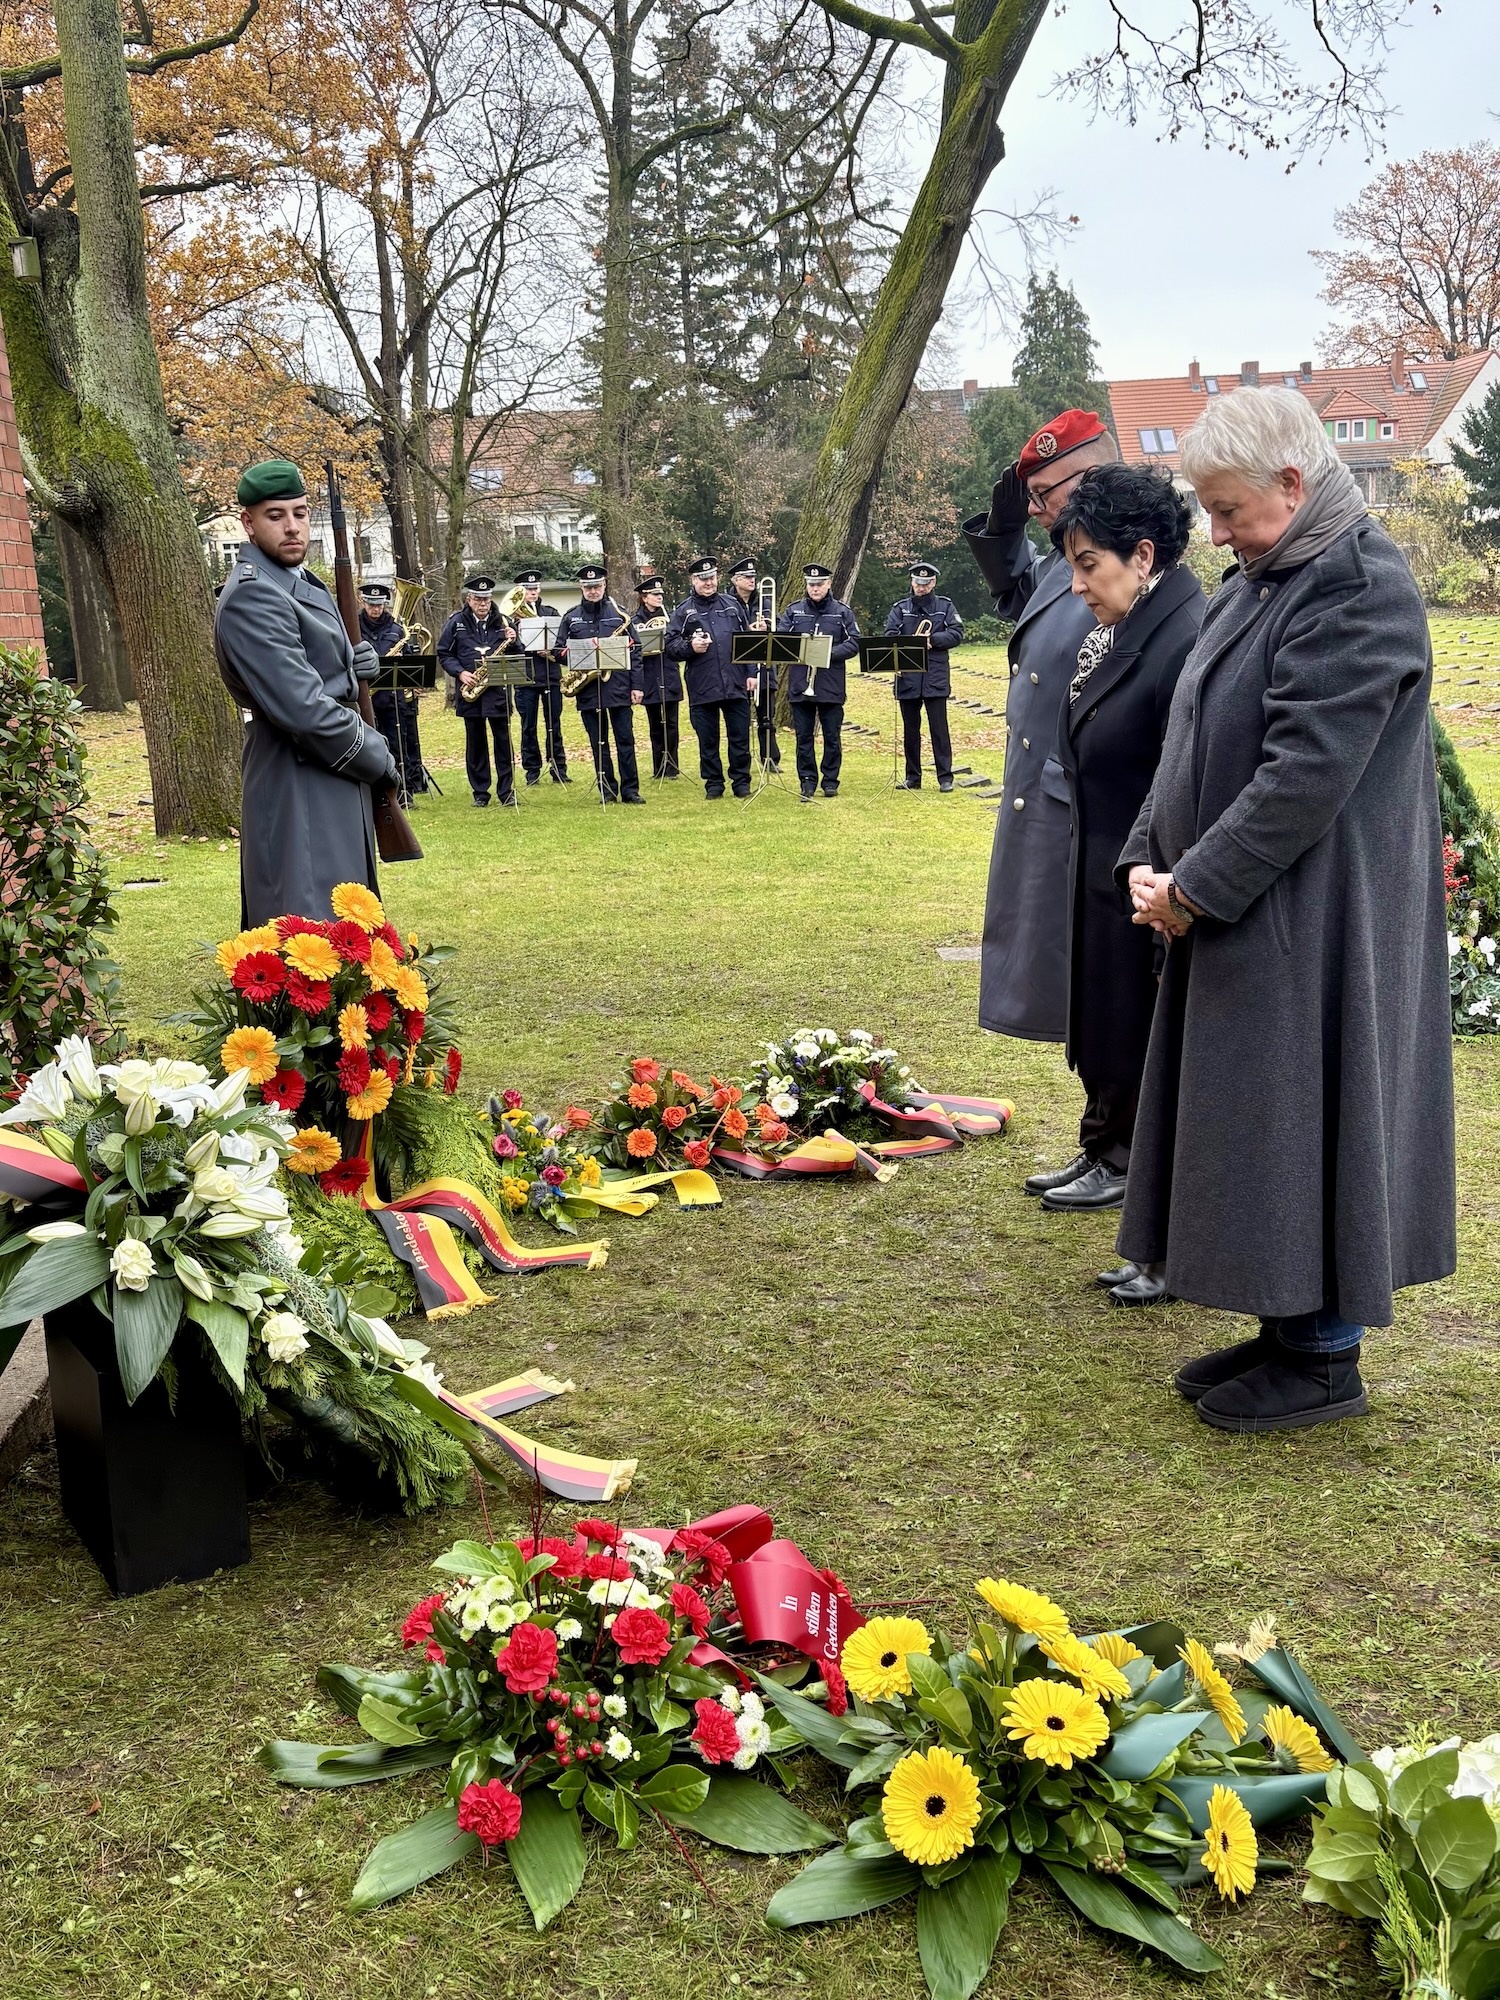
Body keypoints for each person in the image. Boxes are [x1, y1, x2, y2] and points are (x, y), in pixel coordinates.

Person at [1117, 385, 1455, 1431]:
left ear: (1295, 484)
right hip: (1260, 904)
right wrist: (1148, 856)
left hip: (1320, 921)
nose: (1213, 532)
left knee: (1305, 1112)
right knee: (1267, 1122)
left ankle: (1321, 1360)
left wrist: (1197, 887)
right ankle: (1283, 1327)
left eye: (1226, 509)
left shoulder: (1357, 586)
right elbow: (1194, 732)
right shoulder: (1270, 575)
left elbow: (1302, 774)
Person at [1034, 466, 1204, 1268]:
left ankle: (1133, 1172)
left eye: (1088, 566)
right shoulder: (1126, 626)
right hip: (1105, 859)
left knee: (1143, 1030)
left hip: (1153, 873)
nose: (1076, 587)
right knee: (1103, 1016)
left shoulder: (1184, 632)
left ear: (1143, 556)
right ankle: (1104, 1147)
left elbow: (1188, 771)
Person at [962, 409, 1118, 1068]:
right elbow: (1023, 593)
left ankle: (1118, 1151)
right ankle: (1103, 1142)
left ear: (1089, 477)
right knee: (1068, 978)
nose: (1036, 510)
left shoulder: (1127, 557)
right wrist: (999, 529)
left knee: (1104, 978)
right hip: (1048, 794)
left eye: (1044, 494)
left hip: (1087, 798)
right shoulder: (1069, 556)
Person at [214, 458, 397, 925]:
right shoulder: (255, 595)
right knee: (309, 922)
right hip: (298, 770)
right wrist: (375, 754)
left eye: (299, 513)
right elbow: (302, 710)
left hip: (328, 765)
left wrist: (354, 664)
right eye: (275, 516)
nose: (292, 527)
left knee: (348, 919)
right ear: (248, 523)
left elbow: (316, 661)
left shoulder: (298, 580)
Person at [554, 562, 645, 803]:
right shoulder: (571, 617)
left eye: (596, 586)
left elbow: (635, 651)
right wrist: (574, 655)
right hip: (588, 689)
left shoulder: (620, 614)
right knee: (598, 742)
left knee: (625, 740)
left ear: (604, 586)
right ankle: (606, 790)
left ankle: (630, 791)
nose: (593, 591)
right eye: (588, 587)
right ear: (581, 588)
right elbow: (557, 650)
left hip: (619, 687)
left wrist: (637, 686)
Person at [665, 557, 754, 799]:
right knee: (708, 739)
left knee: (739, 736)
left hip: (735, 682)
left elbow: (748, 642)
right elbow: (670, 647)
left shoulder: (733, 605)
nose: (709, 583)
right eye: (703, 579)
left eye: (712, 578)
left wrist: (752, 673)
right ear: (693, 580)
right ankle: (714, 783)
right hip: (702, 684)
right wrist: (690, 646)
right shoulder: (682, 611)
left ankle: (741, 782)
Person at [778, 563, 860, 802]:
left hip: (830, 683)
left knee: (832, 736)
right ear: (806, 585)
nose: (815, 588)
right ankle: (807, 781)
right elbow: (783, 641)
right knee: (803, 737)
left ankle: (830, 780)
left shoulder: (842, 612)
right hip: (801, 683)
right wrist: (803, 649)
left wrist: (827, 653)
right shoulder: (794, 611)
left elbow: (854, 642)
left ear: (829, 584)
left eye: (820, 584)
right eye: (811, 584)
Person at [437, 574, 516, 808]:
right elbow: (444, 653)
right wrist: (460, 673)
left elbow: (516, 655)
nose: (483, 604)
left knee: (503, 742)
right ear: (469, 599)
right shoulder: (456, 622)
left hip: (498, 692)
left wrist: (514, 640)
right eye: (478, 599)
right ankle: (480, 793)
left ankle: (506, 791)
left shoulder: (503, 622)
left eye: (487, 599)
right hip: (471, 691)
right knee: (476, 744)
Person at [885, 561, 963, 791]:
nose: (921, 587)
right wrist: (911, 642)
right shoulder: (900, 608)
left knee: (939, 729)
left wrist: (933, 640)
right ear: (912, 582)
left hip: (935, 674)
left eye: (926, 583)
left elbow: (957, 633)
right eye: (918, 583)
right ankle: (912, 777)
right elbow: (890, 634)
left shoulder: (945, 606)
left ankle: (945, 777)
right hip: (908, 676)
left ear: (933, 583)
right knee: (910, 730)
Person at [359, 582, 422, 807]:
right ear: (363, 602)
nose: (375, 609)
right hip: (364, 698)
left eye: (379, 605)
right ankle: (371, 794)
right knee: (366, 746)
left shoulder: (397, 629)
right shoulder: (352, 626)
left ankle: (403, 794)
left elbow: (407, 662)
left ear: (385, 604)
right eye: (370, 604)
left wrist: (413, 681)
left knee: (398, 746)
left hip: (393, 699)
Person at [507, 566, 569, 785]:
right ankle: (531, 770)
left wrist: (549, 650)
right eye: (527, 588)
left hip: (551, 675)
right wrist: (516, 639)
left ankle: (559, 768)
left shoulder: (551, 613)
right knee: (528, 726)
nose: (532, 592)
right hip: (526, 677)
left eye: (534, 588)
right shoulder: (510, 618)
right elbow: (507, 648)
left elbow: (561, 640)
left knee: (554, 724)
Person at [727, 556, 780, 771]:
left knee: (767, 716)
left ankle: (770, 758)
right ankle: (743, 761)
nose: (752, 580)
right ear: (735, 580)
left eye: (753, 577)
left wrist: (766, 626)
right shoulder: (727, 603)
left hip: (764, 664)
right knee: (740, 720)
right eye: (747, 577)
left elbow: (777, 626)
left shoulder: (764, 601)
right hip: (739, 667)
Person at [633, 571, 680, 779]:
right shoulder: (635, 621)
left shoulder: (671, 618)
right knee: (655, 724)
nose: (659, 597)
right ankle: (658, 766)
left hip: (668, 673)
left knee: (671, 723)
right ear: (644, 598)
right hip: (649, 676)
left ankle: (672, 766)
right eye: (654, 594)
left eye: (660, 594)